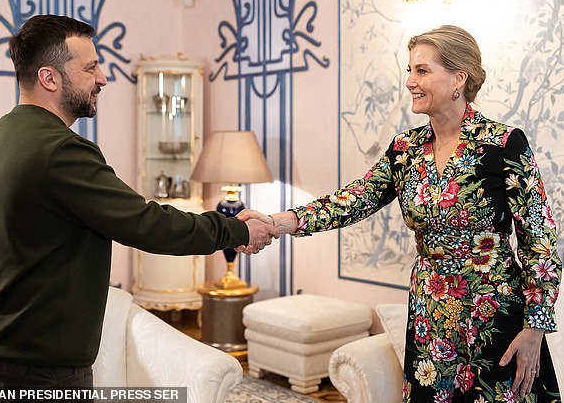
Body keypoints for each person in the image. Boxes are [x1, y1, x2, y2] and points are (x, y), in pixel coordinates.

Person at [238, 25, 561, 402]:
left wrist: (535, 328)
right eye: (409, 70)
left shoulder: (504, 143)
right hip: (429, 308)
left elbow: (540, 240)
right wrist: (279, 222)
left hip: (493, 310)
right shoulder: (405, 148)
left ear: (459, 77)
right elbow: (354, 199)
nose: (410, 81)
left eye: (422, 70)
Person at [0, 14, 279, 392]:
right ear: (49, 78)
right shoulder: (60, 151)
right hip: (40, 366)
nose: (103, 78)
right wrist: (235, 229)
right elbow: (148, 224)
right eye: (91, 66)